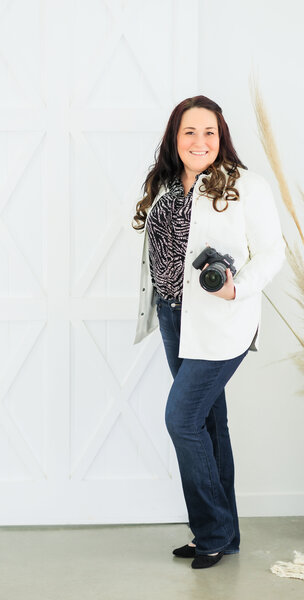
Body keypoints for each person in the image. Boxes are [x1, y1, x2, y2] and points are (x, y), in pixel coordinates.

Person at [131, 95, 286, 569]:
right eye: (189, 132)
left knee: (181, 419)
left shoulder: (245, 186)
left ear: (222, 138)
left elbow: (272, 252)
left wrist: (237, 289)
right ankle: (225, 534)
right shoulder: (163, 184)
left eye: (209, 132)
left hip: (221, 323)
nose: (199, 141)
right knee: (209, 422)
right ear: (174, 138)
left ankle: (211, 533)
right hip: (172, 317)